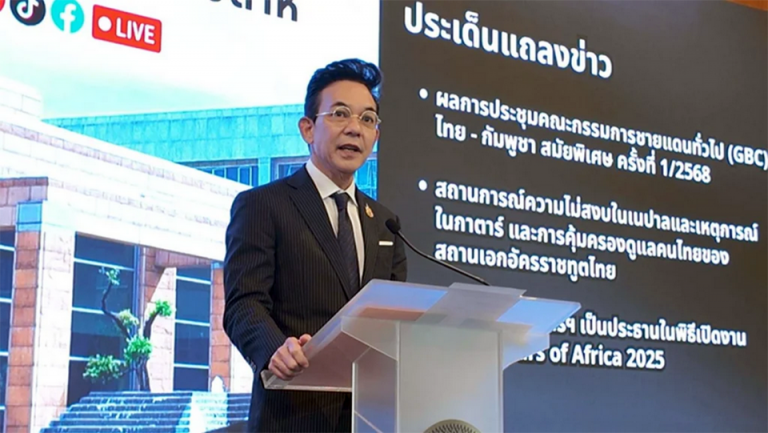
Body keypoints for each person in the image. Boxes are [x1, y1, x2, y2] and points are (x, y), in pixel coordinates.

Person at [222, 58, 408, 433]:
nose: (354, 128)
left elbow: (392, 317)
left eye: (367, 119)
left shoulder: (385, 222)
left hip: (371, 417)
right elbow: (244, 303)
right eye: (340, 114)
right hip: (292, 412)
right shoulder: (264, 205)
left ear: (375, 136)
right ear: (308, 128)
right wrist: (274, 348)